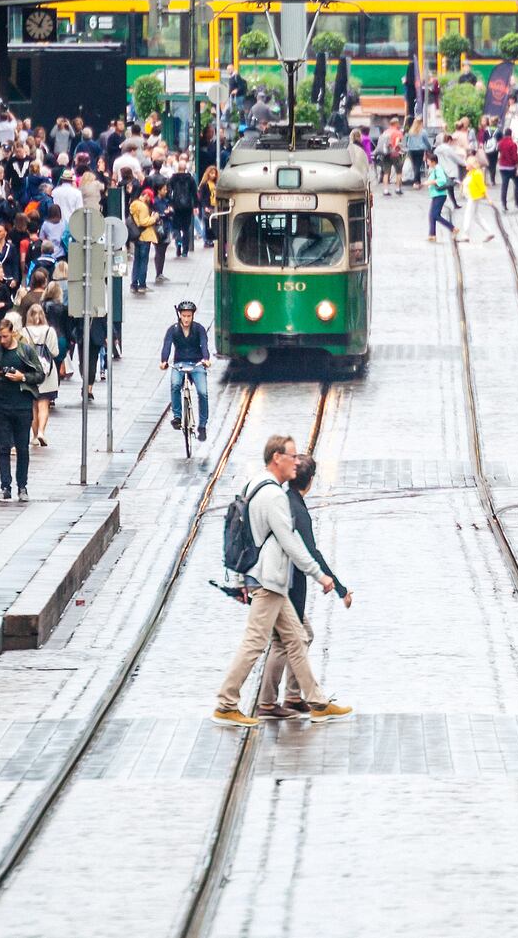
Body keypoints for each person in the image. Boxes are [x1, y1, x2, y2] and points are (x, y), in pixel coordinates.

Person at [213, 435, 349, 726]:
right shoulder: (274, 496)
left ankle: (317, 702)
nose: (296, 462)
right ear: (277, 457)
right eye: (292, 456)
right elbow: (291, 542)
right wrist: (321, 575)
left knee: (297, 638)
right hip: (268, 581)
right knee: (254, 642)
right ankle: (226, 704)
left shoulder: (255, 484)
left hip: (267, 580)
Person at [255, 454, 351, 719]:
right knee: (286, 641)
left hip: (275, 581)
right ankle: (270, 702)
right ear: (310, 481)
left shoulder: (283, 500)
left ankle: (292, 698)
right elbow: (310, 552)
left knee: (297, 637)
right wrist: (337, 586)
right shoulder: (294, 508)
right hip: (282, 584)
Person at [161, 301, 213, 440]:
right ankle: (177, 417)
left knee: (203, 392)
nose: (186, 319)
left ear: (193, 316)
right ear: (180, 315)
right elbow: (167, 345)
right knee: (175, 385)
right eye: (184, 315)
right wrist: (164, 361)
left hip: (197, 363)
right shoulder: (173, 330)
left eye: (189, 316)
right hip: (179, 363)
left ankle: (202, 425)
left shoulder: (199, 329)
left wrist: (206, 359)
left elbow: (204, 345)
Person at [23, 303, 62, 449]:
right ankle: (41, 432)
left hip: (31, 371)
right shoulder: (49, 331)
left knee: (33, 405)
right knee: (44, 403)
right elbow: (55, 352)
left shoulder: (24, 331)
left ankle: (34, 436)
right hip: (47, 371)